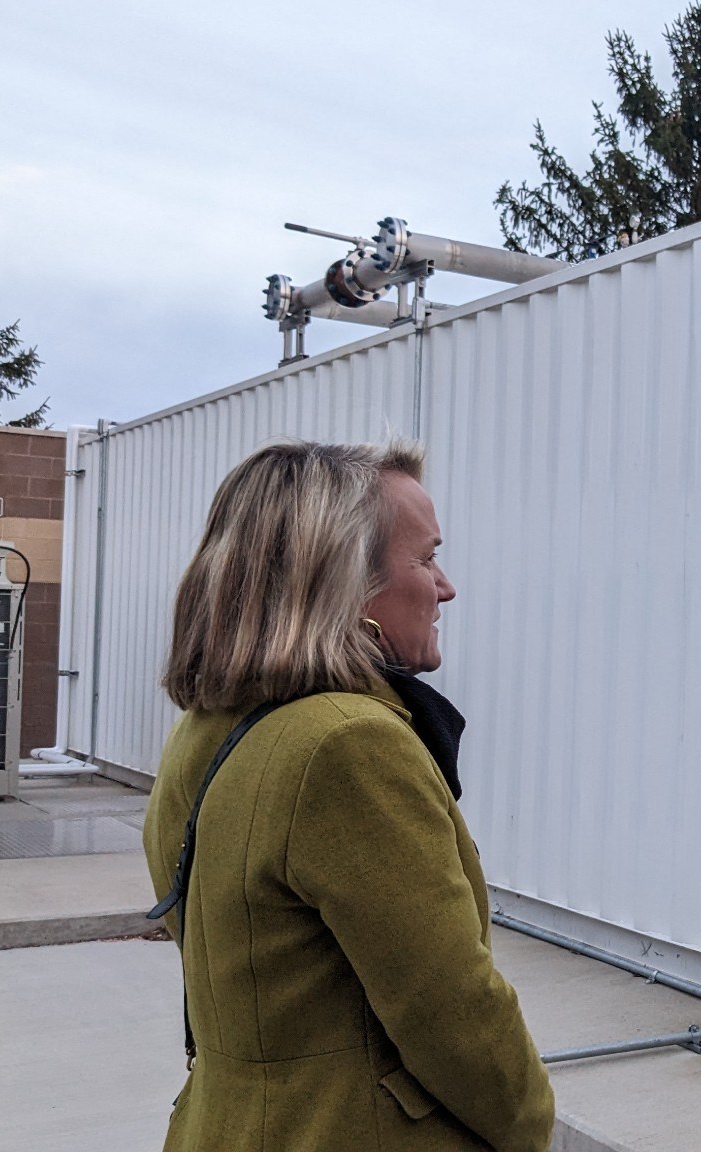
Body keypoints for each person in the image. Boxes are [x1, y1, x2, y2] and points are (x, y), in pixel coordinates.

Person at [143, 441, 554, 1151]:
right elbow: (451, 1011)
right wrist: (530, 1126)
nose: (445, 585)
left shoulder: (206, 728)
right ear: (345, 580)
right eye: (425, 559)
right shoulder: (347, 745)